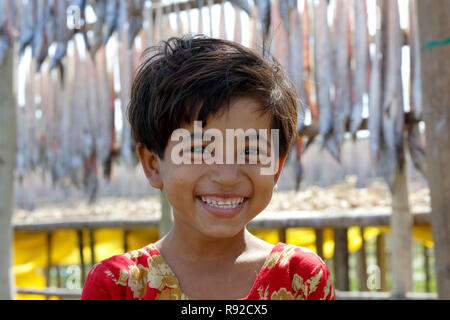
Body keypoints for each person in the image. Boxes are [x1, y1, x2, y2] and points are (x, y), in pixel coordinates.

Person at [81, 35, 336, 300]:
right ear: (153, 165)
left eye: (251, 151)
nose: (226, 176)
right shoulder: (118, 286)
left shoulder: (301, 280)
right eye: (198, 150)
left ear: (276, 168)